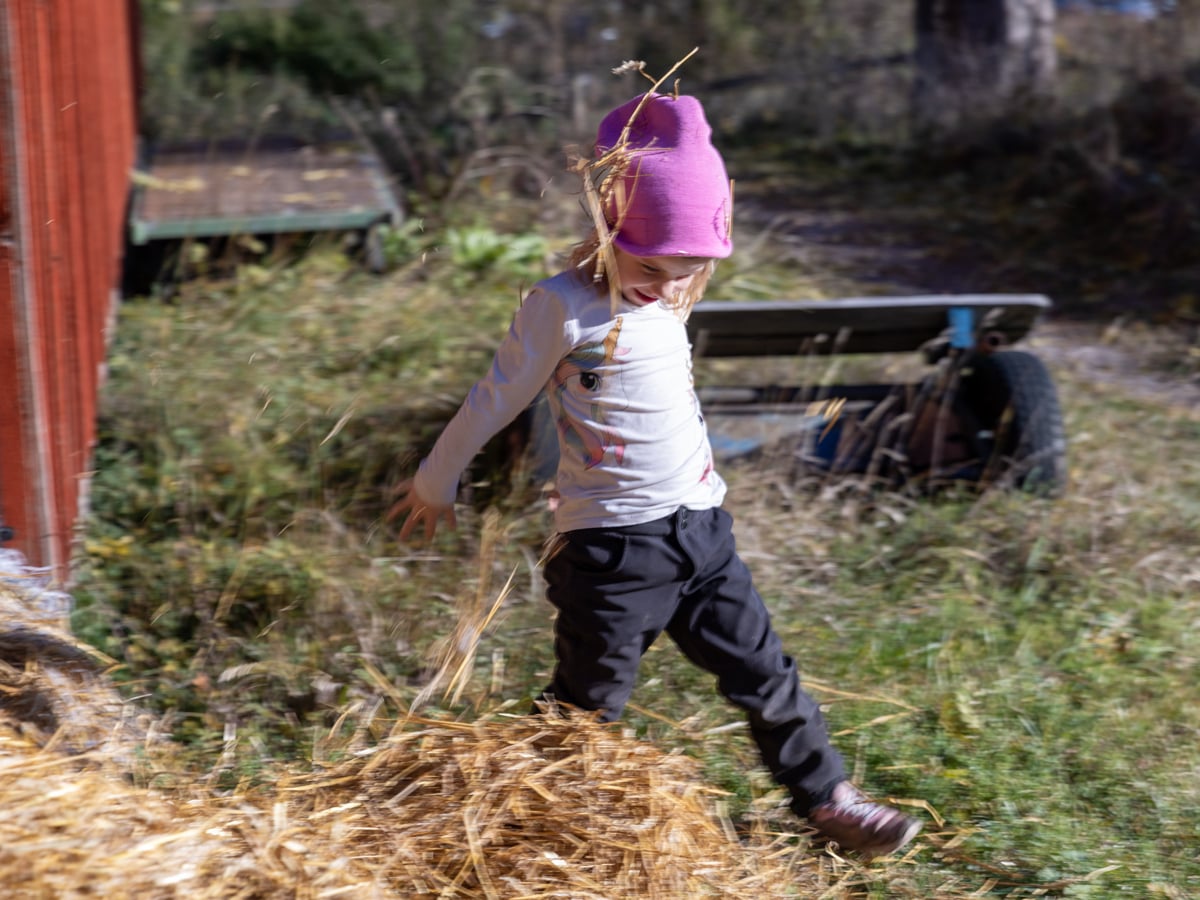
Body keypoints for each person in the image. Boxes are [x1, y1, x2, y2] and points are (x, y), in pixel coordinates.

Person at [388, 90, 922, 858]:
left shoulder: (671, 297)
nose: (668, 284)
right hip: (611, 552)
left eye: (689, 269)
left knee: (768, 675)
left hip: (703, 535)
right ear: (607, 221)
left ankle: (829, 798)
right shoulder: (562, 306)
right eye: (650, 265)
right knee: (587, 707)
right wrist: (436, 482)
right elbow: (494, 399)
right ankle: (517, 815)